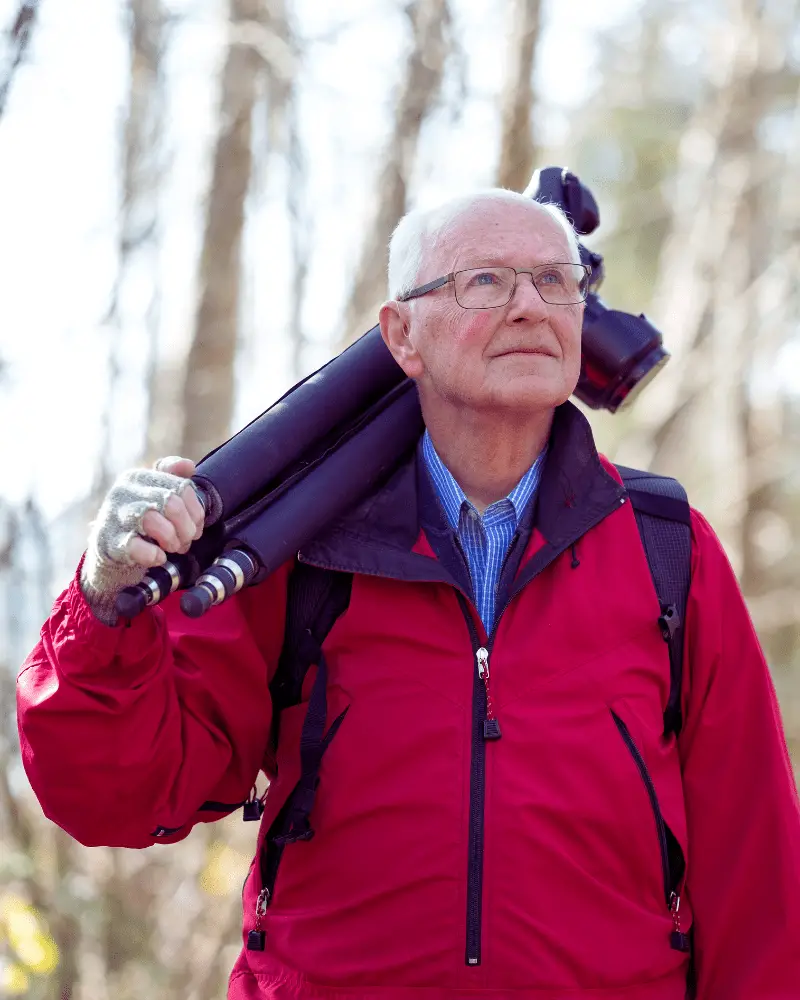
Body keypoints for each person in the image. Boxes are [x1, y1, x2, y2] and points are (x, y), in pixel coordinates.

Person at [17, 189, 800, 1000]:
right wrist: (104, 603)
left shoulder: (667, 547)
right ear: (401, 335)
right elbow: (115, 794)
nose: (530, 305)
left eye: (555, 281)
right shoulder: (297, 550)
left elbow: (756, 867)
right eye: (486, 282)